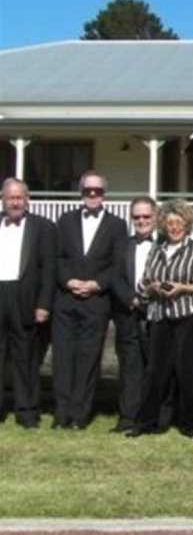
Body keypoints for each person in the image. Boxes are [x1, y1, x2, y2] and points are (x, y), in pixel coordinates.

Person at [127, 200, 193, 438]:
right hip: (160, 314)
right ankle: (146, 423)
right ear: (163, 226)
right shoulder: (157, 249)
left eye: (179, 223)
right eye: (170, 223)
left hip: (190, 315)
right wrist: (151, 287)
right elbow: (145, 281)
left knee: (188, 371)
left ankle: (191, 425)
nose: (174, 227)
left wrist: (182, 288)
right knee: (156, 371)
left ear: (187, 225)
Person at [53, 170, 127, 429]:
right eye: (88, 190)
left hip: (96, 303)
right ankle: (61, 413)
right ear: (81, 192)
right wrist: (68, 281)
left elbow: (118, 264)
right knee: (62, 359)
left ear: (104, 194)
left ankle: (79, 415)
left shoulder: (117, 225)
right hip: (66, 300)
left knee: (87, 360)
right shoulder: (65, 220)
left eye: (97, 190)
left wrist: (97, 284)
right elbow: (57, 258)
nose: (92, 194)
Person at [0, 178, 55, 428]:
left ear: (27, 199)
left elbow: (48, 270)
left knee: (26, 359)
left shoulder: (42, 227)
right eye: (10, 197)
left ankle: (27, 412)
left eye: (19, 197)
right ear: (3, 199)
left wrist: (43, 304)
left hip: (26, 299)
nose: (15, 202)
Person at [108, 196, 157, 433]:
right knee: (129, 368)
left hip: (156, 315)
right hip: (127, 314)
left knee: (155, 367)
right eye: (136, 217)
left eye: (146, 216)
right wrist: (132, 299)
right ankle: (127, 417)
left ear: (155, 218)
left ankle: (153, 417)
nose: (141, 221)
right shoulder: (121, 245)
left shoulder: (166, 245)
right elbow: (114, 277)